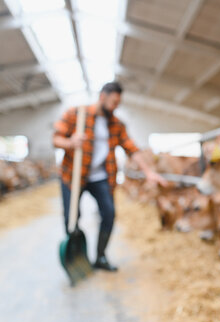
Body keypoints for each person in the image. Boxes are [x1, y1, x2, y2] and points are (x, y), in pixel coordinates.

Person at [53, 81, 167, 271]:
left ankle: (100, 256)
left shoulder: (116, 124)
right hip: (73, 175)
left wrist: (149, 172)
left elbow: (132, 149)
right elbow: (56, 139)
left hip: (101, 177)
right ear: (102, 97)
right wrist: (70, 142)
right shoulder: (76, 114)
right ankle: (77, 256)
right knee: (71, 218)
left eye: (118, 104)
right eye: (113, 102)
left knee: (109, 213)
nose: (115, 107)